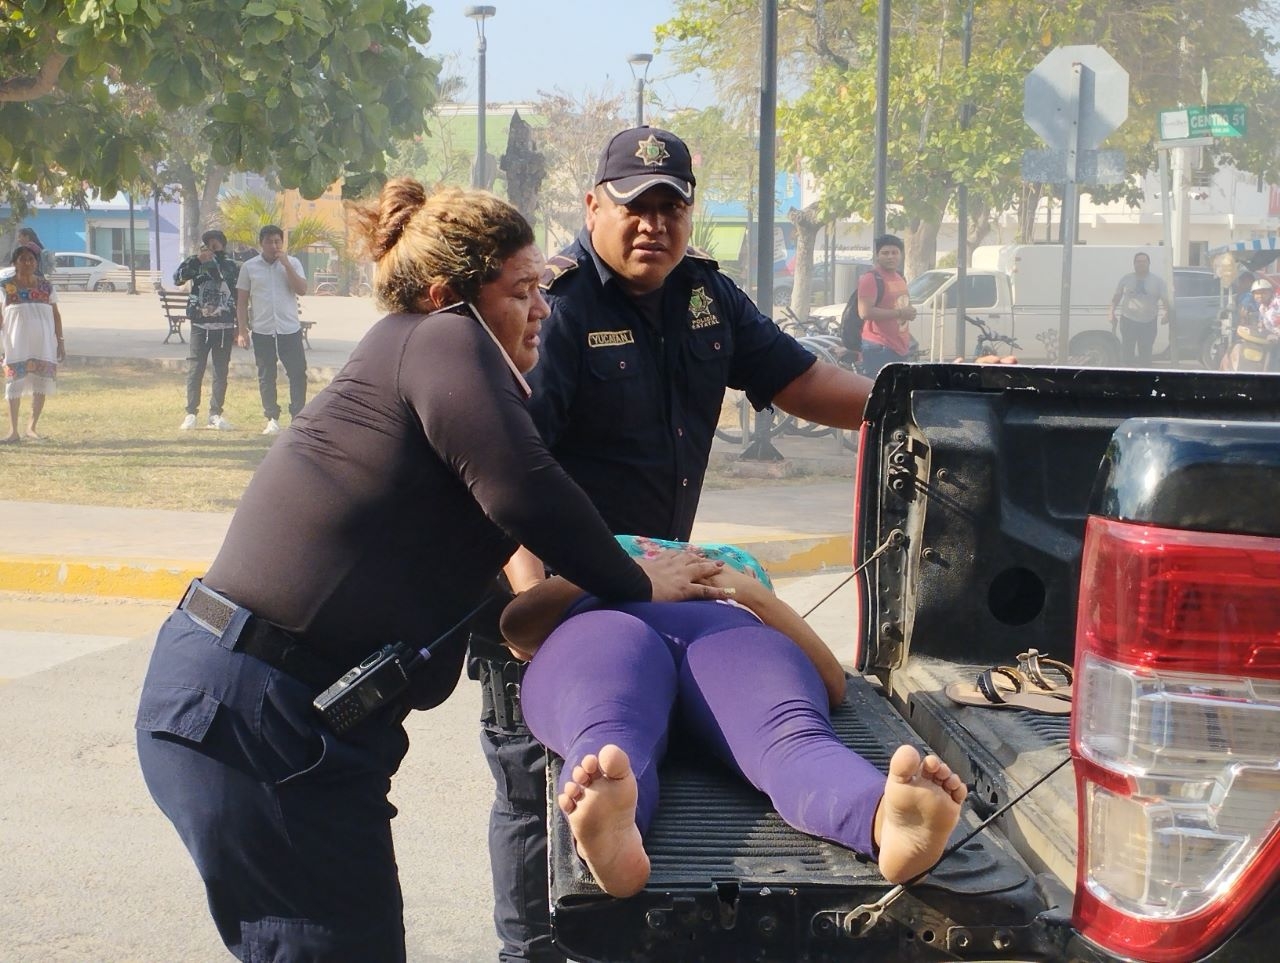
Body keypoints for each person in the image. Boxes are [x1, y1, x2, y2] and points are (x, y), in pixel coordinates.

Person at [135, 180, 726, 963]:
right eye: (521, 290)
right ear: (453, 294)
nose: (543, 310)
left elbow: (477, 582)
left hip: (283, 719)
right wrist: (639, 579)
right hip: (254, 715)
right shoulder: (437, 337)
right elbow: (527, 490)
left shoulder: (422, 365)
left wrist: (574, 605)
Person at [472, 125, 877, 963]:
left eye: (671, 206)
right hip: (559, 586)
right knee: (533, 784)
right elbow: (516, 473)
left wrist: (909, 403)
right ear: (593, 206)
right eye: (634, 206)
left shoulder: (706, 299)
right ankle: (530, 953)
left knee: (673, 751)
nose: (653, 224)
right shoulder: (561, 304)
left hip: (667, 589)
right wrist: (528, 606)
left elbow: (799, 380)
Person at [503, 538, 967, 900]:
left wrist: (750, 594)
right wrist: (610, 571)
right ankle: (607, 844)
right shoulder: (580, 551)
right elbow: (517, 628)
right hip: (604, 622)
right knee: (607, 732)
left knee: (791, 735)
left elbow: (833, 684)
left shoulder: (733, 562)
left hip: (726, 627)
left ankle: (883, 819)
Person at [235, 224, 308, 435]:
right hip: (263, 330)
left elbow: (302, 290)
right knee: (266, 375)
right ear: (261, 243)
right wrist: (242, 331)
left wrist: (287, 266)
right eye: (269, 241)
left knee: (297, 373)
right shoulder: (249, 267)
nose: (274, 245)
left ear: (282, 243)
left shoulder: (292, 263)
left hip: (289, 329)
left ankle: (297, 416)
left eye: (277, 241)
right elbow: (241, 302)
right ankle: (272, 418)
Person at [175, 230, 241, 430]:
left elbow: (238, 294)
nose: (213, 247)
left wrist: (240, 326)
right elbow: (177, 278)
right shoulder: (195, 263)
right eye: (209, 243)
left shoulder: (231, 265)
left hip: (224, 326)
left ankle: (215, 414)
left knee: (221, 372)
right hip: (199, 325)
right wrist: (197, 261)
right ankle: (190, 413)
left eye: (216, 243)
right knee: (196, 370)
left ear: (223, 244)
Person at [1, 245, 65, 443]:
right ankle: (13, 431)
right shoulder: (5, 287)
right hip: (15, 343)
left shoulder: (46, 287)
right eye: (22, 259)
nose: (27, 263)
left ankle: (32, 427)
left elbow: (56, 315)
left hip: (43, 344)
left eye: (31, 259)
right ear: (15, 263)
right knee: (14, 384)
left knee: (41, 383)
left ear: (36, 262)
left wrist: (60, 341)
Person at [857, 234, 917, 377]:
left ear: (901, 255)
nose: (890, 256)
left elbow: (900, 304)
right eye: (885, 253)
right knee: (880, 394)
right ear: (877, 256)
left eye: (894, 252)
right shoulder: (870, 278)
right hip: (878, 347)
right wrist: (901, 313)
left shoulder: (900, 277)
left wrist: (909, 312)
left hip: (900, 346)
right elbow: (865, 312)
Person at [1108, 252, 1170, 366]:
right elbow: (1117, 296)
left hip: (1148, 322)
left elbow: (1165, 300)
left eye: (1144, 261)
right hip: (1128, 320)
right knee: (1127, 354)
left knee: (1145, 355)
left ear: (1149, 263)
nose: (1141, 264)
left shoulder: (1158, 281)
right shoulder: (1126, 279)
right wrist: (1111, 312)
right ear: (1134, 264)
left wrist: (1167, 314)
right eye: (1138, 261)